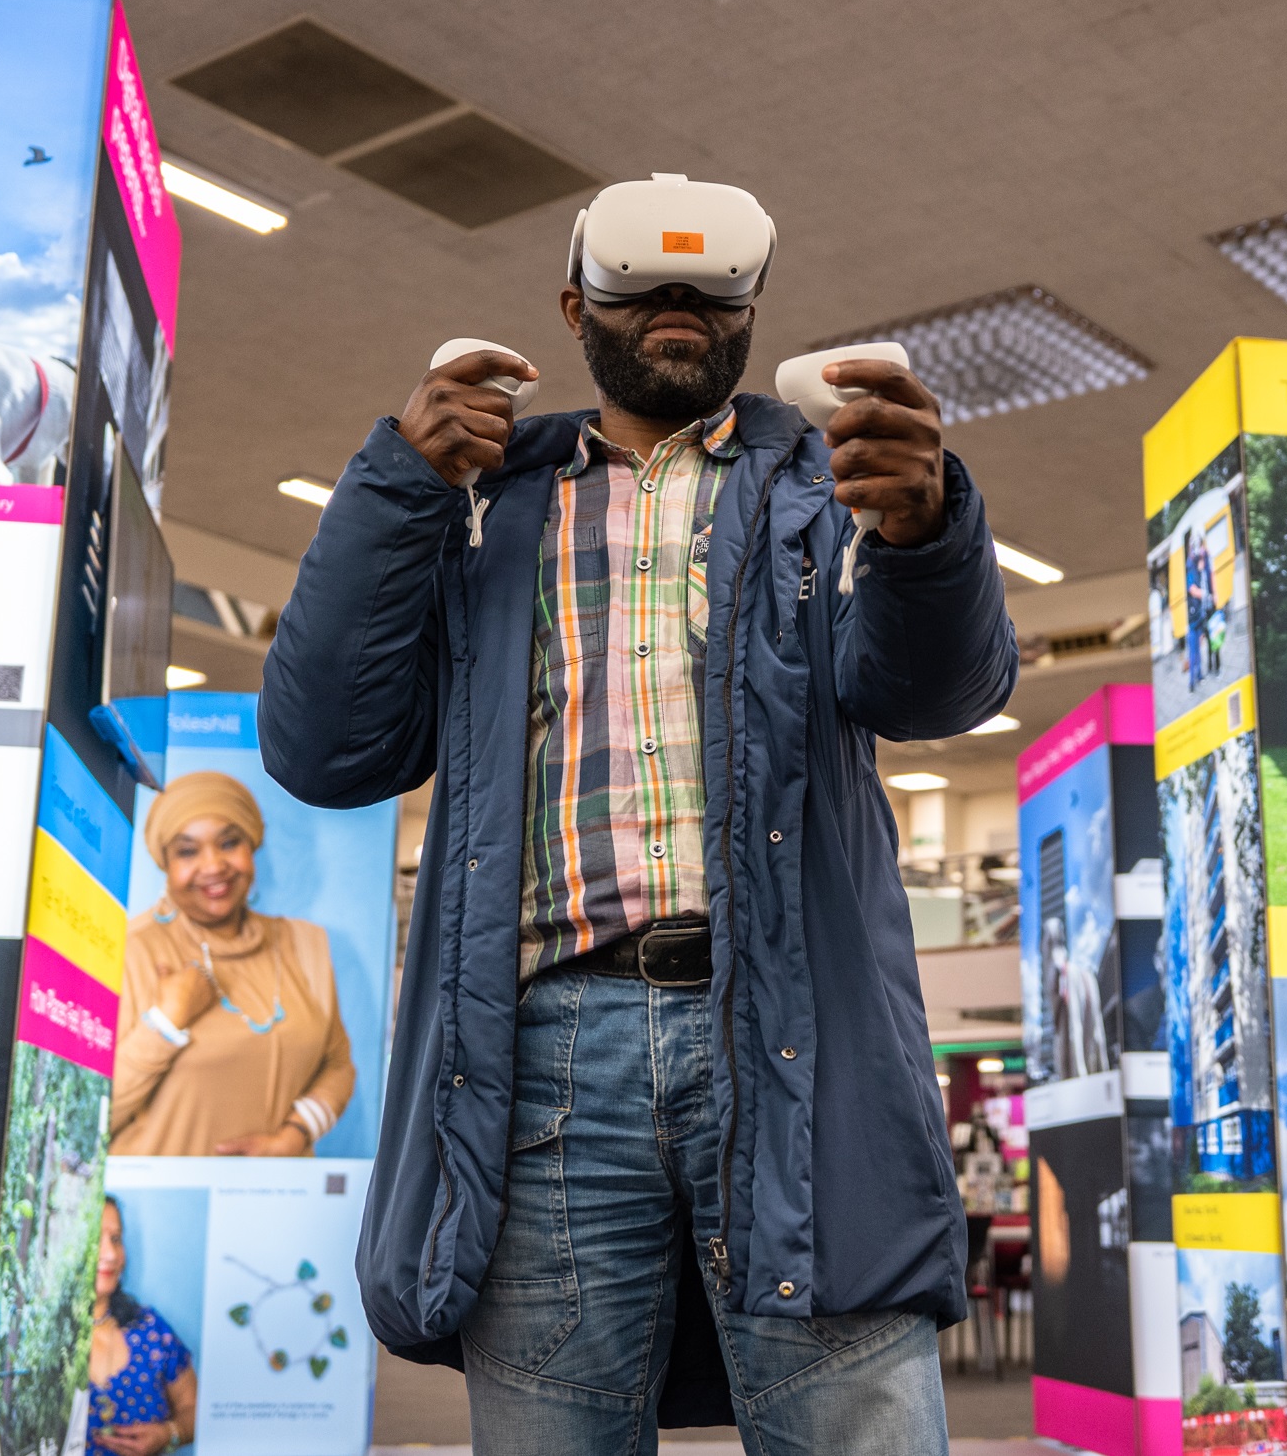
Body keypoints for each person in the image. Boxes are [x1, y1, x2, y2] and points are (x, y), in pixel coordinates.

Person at [262, 173, 1018, 1453]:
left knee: (860, 1426)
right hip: (544, 1053)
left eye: (711, 295)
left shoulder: (826, 491)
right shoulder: (485, 510)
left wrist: (926, 531)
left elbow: (937, 689)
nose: (679, 314)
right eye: (643, 291)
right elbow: (325, 748)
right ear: (574, 308)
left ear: (750, 313)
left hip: (795, 1038)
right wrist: (397, 483)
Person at [109, 771, 354, 1158]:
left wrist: (296, 1134)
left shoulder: (305, 944)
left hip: (278, 1202)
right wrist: (166, 1022)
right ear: (165, 862)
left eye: (229, 842)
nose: (213, 866)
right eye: (188, 851)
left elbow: (339, 1066)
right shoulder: (129, 950)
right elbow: (88, 1115)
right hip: (155, 1208)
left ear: (252, 844)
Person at [86, 1199, 196, 1456]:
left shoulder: (150, 1331)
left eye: (115, 1239)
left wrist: (168, 1433)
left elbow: (195, 1409)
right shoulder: (38, 1338)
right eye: (95, 1237)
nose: (110, 1255)